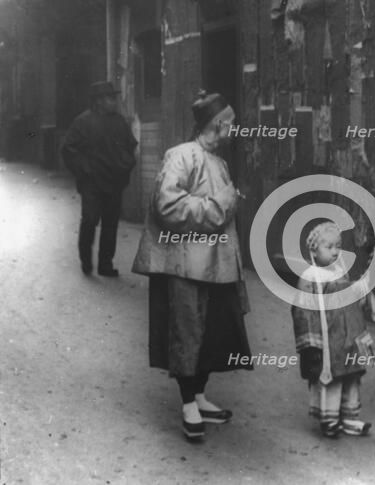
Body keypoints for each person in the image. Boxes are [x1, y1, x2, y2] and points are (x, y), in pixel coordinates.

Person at [131, 92, 253, 441]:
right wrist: (219, 205)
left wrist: (225, 204)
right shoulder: (181, 155)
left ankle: (199, 395)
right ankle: (187, 404)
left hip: (216, 265)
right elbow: (166, 207)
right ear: (218, 124)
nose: (234, 129)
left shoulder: (218, 160)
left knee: (211, 330)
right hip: (186, 266)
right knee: (187, 331)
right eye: (231, 124)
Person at [291, 221, 375, 438]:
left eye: (338, 246)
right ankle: (329, 418)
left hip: (348, 338)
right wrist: (312, 343)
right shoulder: (310, 278)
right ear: (313, 250)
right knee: (331, 378)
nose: (335, 252)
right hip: (328, 340)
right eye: (329, 247)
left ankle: (350, 417)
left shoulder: (341, 273)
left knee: (352, 375)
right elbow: (303, 311)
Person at [61, 81, 138, 276]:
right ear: (98, 101)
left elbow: (131, 146)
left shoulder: (119, 122)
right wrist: (84, 171)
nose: (114, 102)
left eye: (114, 98)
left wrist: (125, 166)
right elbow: (68, 149)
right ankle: (86, 261)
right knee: (90, 219)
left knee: (110, 224)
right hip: (92, 183)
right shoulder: (82, 122)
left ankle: (105, 264)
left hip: (113, 182)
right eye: (110, 98)